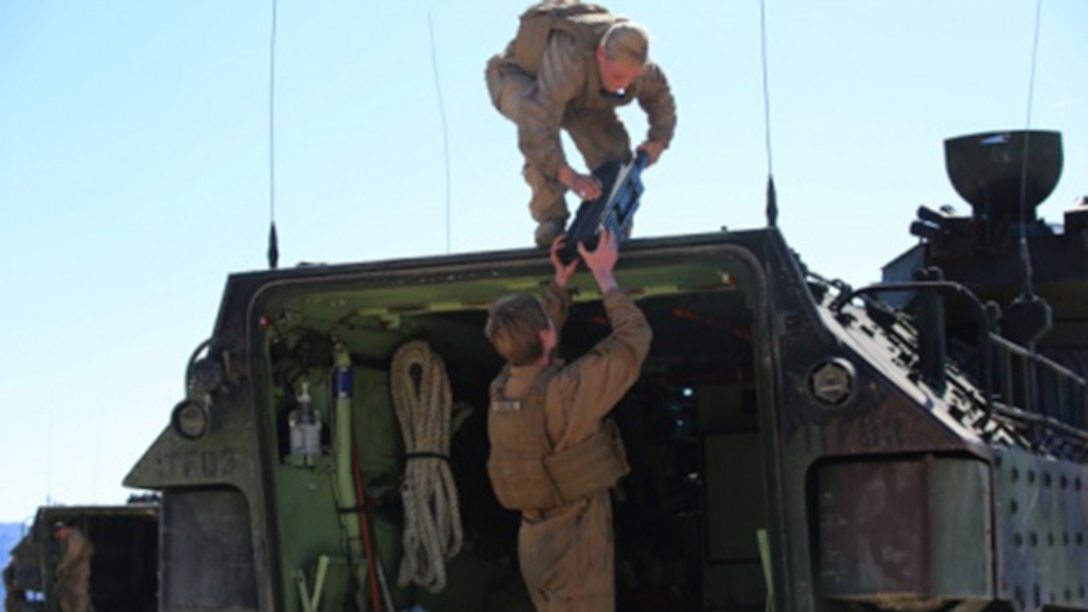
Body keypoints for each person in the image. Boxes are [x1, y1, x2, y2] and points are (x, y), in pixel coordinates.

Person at [484, 229, 652, 610]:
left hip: (534, 543)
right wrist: (605, 276)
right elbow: (633, 339)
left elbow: (535, 345)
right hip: (574, 542)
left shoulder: (503, 387)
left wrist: (560, 283)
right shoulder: (566, 391)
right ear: (545, 334)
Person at [486, 2, 677, 247]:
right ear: (601, 55)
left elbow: (661, 100)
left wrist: (659, 140)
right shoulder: (571, 57)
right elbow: (537, 128)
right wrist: (571, 177)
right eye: (619, 76)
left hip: (580, 94)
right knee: (539, 135)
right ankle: (551, 222)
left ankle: (613, 222)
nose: (623, 85)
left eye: (632, 79)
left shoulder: (639, 66)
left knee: (614, 150)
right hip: (519, 77)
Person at [53, 522, 93, 612]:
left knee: (79, 593)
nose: (59, 538)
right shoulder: (65, 540)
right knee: (65, 594)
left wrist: (62, 566)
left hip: (79, 569)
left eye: (59, 535)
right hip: (69, 572)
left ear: (63, 530)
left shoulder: (76, 538)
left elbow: (73, 554)